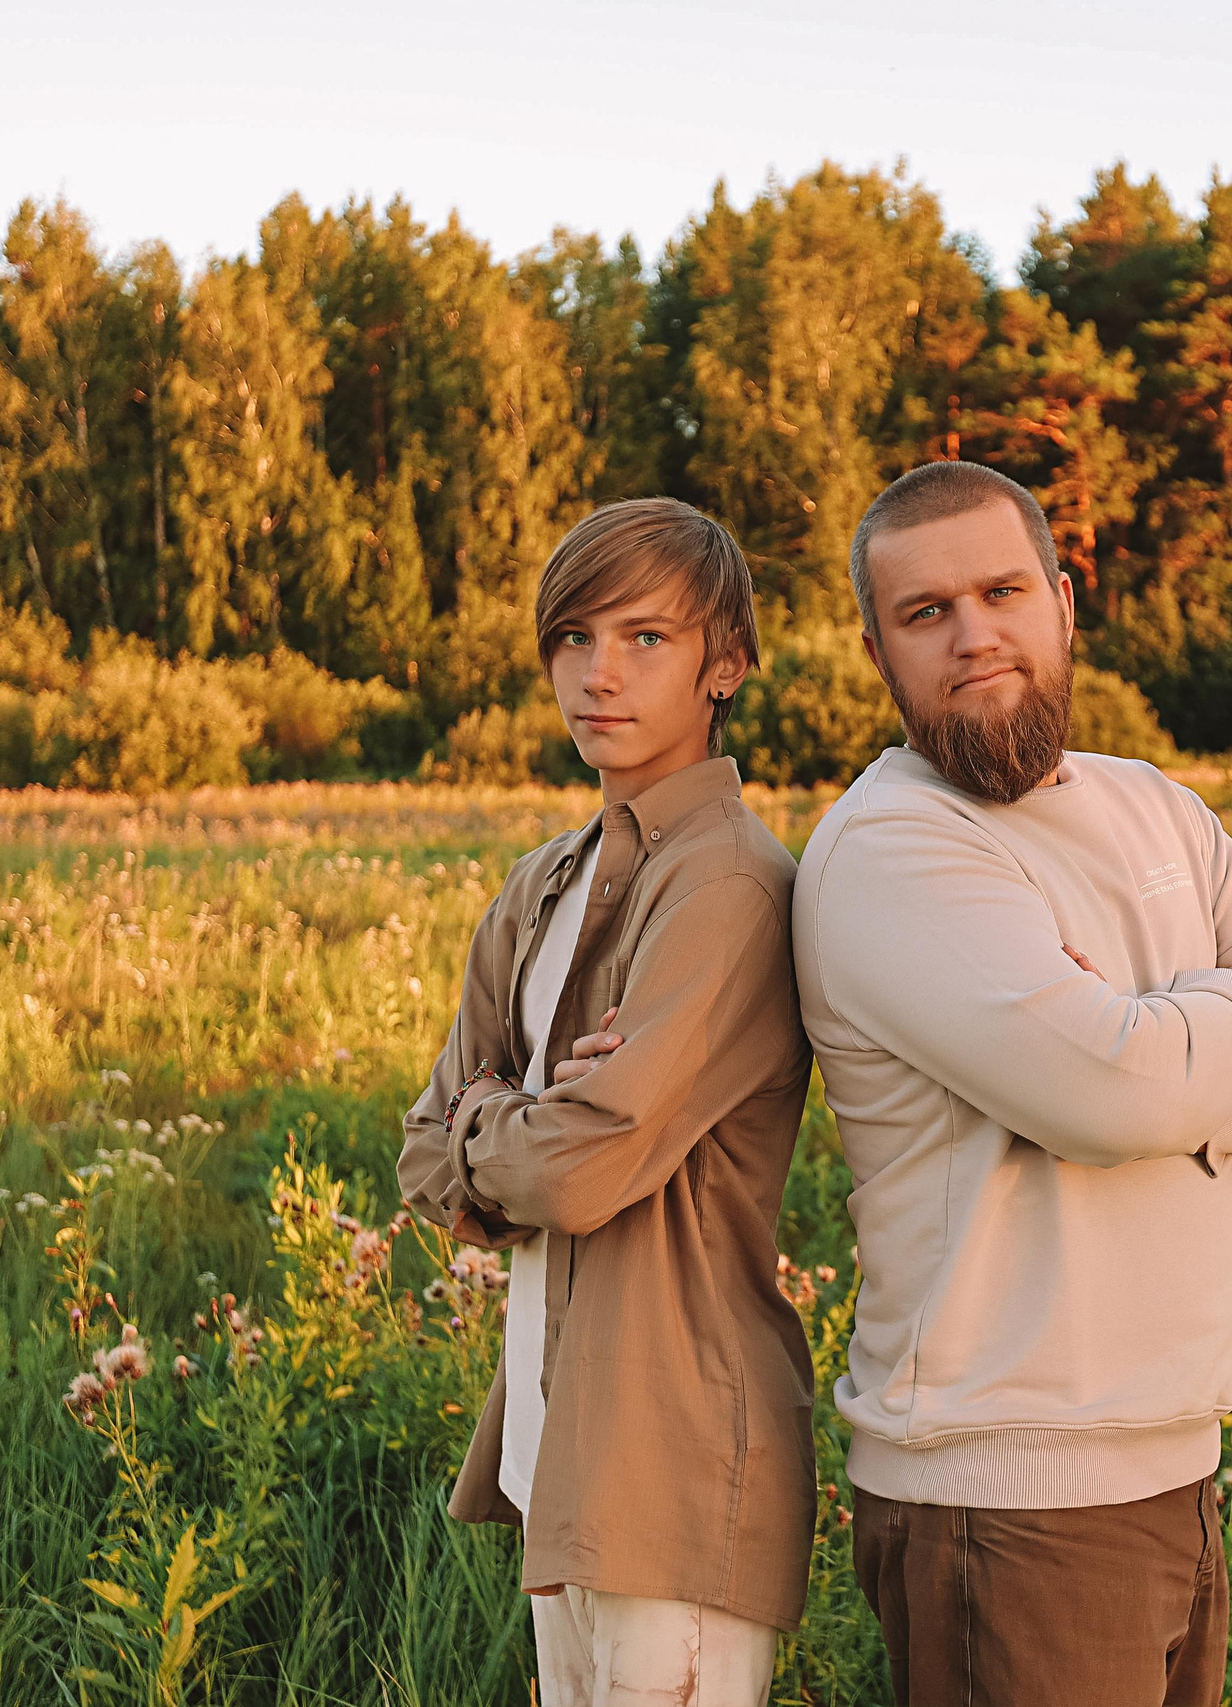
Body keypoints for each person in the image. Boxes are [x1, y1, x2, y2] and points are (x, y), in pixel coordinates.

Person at [792, 461, 1232, 1707]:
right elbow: (1114, 1101)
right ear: (876, 650)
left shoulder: (1151, 804)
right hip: (1003, 1496)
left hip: (1172, 1463)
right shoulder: (891, 850)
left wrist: (1157, 1042)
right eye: (925, 612)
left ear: (1063, 603)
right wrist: (1221, 1001)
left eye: (1002, 591)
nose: (973, 636)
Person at [399, 498, 815, 1707]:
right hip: (554, 1452)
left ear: (723, 663)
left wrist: (492, 1113)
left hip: (674, 1458)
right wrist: (505, 1125)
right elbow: (422, 1154)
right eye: (573, 638)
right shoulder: (542, 882)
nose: (598, 674)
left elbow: (578, 1170)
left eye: (644, 638)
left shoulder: (729, 885)